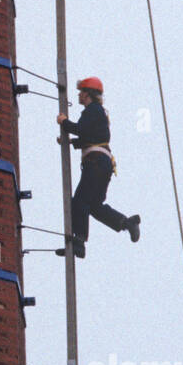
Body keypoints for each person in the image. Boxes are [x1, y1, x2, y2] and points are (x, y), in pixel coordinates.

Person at [55, 76, 140, 259]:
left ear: (88, 94)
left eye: (81, 92)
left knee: (79, 201)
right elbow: (90, 136)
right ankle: (126, 223)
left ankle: (78, 242)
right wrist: (70, 142)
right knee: (94, 205)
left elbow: (81, 130)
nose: (79, 95)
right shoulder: (98, 112)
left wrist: (64, 122)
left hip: (95, 163)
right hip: (102, 163)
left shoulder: (92, 110)